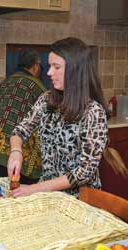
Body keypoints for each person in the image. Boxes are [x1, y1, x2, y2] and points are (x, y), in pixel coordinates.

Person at [7, 37, 112, 198]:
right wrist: (16, 151)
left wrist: (36, 188)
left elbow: (84, 172)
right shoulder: (46, 99)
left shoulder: (93, 112)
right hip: (48, 196)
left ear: (74, 70)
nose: (49, 72)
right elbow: (20, 131)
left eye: (56, 67)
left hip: (80, 200)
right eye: (49, 66)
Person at [0, 48, 46, 184]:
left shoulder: (5, 82)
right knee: (17, 197)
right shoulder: (38, 86)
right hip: (15, 152)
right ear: (35, 66)